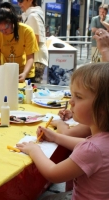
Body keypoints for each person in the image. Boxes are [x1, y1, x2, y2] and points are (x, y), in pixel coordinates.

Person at [17, 62, 109, 199]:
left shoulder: (92, 149)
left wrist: (33, 150)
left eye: (78, 97)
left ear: (102, 107)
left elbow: (53, 174)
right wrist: (55, 137)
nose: (71, 102)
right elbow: (84, 144)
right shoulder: (101, 140)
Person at [0, 2, 39, 83]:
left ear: (12, 22)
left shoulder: (26, 31)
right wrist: (1, 71)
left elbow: (30, 57)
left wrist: (25, 73)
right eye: (0, 29)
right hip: (7, 73)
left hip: (26, 72)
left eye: (6, 28)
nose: (3, 32)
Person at [18, 0, 48, 83]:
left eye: (21, 0)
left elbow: (35, 39)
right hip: (36, 56)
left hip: (36, 57)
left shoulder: (33, 16)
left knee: (33, 86)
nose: (19, 3)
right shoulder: (32, 14)